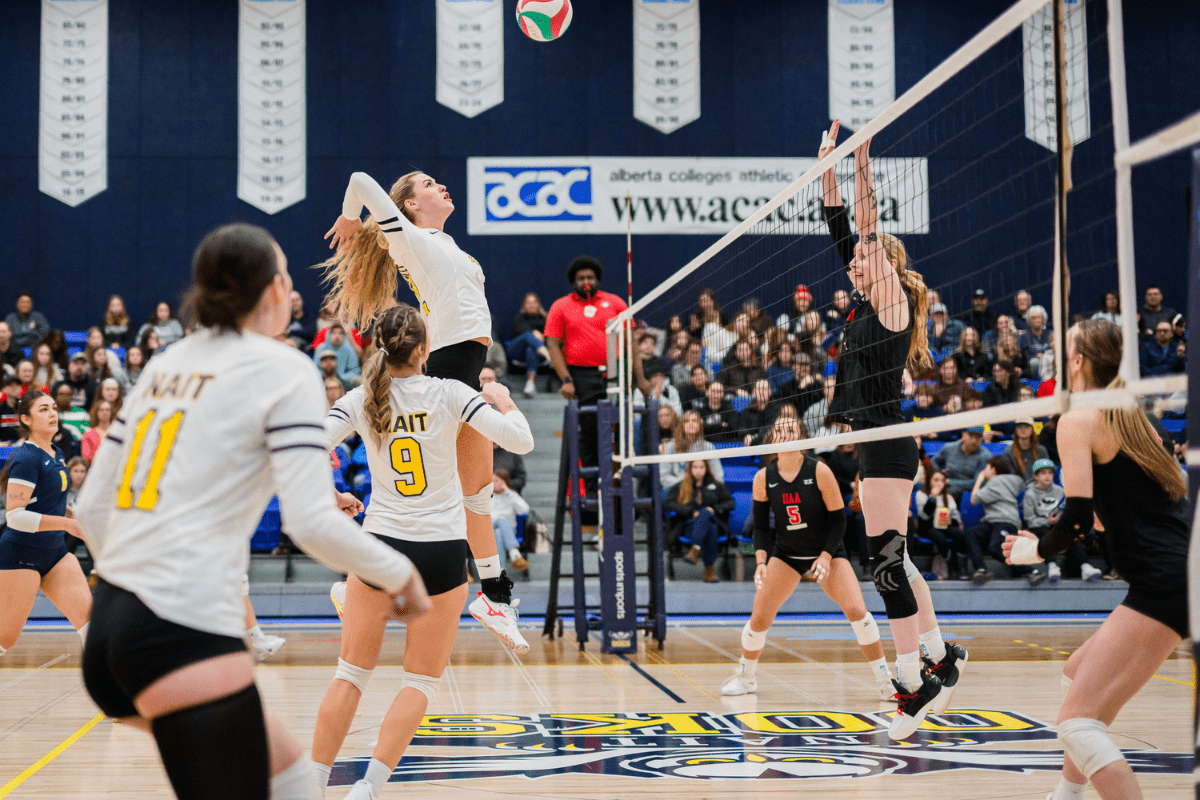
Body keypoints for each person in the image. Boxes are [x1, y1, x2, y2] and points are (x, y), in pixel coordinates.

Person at [76, 223, 431, 800]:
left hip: (110, 627)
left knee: (291, 779)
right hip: (178, 629)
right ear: (273, 290)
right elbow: (309, 523)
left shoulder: (167, 363)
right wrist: (399, 572)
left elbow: (93, 506)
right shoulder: (282, 367)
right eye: (287, 274)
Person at [312, 303, 534, 800]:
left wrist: (331, 495)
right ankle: (368, 789)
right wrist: (503, 399)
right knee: (419, 682)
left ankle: (312, 785)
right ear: (425, 349)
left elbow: (297, 451)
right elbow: (521, 442)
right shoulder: (452, 392)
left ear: (379, 348)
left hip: (381, 547)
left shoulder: (360, 398)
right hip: (441, 552)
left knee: (351, 675)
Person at [322, 170, 528, 634]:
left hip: (465, 367)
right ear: (411, 204)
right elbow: (358, 180)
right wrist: (350, 218)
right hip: (447, 368)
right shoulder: (409, 239)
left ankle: (494, 597)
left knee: (476, 493)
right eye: (430, 184)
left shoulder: (442, 243)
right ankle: (357, 583)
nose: (441, 186)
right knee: (430, 499)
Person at [1003, 318, 1189, 800]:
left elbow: (1079, 520)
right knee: (1077, 672)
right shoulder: (1136, 419)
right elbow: (1108, 518)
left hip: (1162, 583)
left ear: (1078, 361)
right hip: (1179, 575)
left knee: (1076, 724)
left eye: (1065, 350)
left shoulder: (1078, 419)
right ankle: (1067, 794)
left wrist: (1032, 550)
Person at [819, 122, 964, 738]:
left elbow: (864, 226)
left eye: (862, 258)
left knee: (883, 565)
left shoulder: (891, 303)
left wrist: (861, 164)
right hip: (877, 444)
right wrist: (825, 168)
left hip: (886, 443)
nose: (851, 261)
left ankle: (913, 683)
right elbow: (839, 225)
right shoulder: (864, 304)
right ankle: (939, 655)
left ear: (883, 264)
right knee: (894, 560)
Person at [721, 415, 896, 701]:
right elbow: (761, 527)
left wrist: (825, 557)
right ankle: (746, 678)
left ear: (803, 438)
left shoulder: (819, 471)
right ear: (771, 438)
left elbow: (839, 521)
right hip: (786, 555)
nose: (784, 433)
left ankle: (885, 682)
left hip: (827, 552)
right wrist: (761, 562)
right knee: (759, 617)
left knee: (856, 611)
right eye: (778, 429)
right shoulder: (763, 477)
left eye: (790, 429)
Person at [0, 390, 92, 656]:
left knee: (92, 627)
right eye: (43, 409)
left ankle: (106, 681)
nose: (52, 413)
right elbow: (15, 516)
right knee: (5, 640)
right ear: (26, 419)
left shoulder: (57, 452)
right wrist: (65, 525)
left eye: (53, 408)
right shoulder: (26, 458)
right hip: (21, 554)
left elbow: (47, 499)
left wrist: (70, 513)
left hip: (55, 554)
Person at [545, 256, 630, 486]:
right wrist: (566, 379)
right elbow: (552, 344)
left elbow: (630, 340)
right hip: (581, 375)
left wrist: (636, 377)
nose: (586, 281)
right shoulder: (561, 306)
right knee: (589, 430)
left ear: (597, 279)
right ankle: (592, 486)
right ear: (573, 281)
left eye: (590, 277)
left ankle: (618, 482)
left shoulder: (615, 303)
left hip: (614, 372)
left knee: (618, 427)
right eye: (581, 277)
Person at [664, 460, 734, 583]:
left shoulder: (716, 485)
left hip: (715, 522)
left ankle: (695, 549)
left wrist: (714, 509)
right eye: (695, 467)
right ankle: (709, 570)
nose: (698, 470)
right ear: (690, 469)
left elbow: (730, 503)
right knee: (710, 527)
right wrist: (690, 512)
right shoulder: (681, 486)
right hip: (689, 527)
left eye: (701, 467)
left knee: (707, 515)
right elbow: (669, 504)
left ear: (707, 469)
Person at [963, 457, 1024, 582]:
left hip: (1005, 521)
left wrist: (980, 479)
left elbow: (974, 499)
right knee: (972, 532)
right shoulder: (1013, 480)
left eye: (986, 468)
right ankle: (981, 569)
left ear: (993, 470)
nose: (984, 471)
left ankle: (1029, 570)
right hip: (993, 521)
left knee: (995, 547)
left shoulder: (996, 481)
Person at [1021, 458, 1069, 583]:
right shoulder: (1030, 494)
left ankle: (1084, 565)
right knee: (1044, 533)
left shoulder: (1061, 491)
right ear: (1036, 476)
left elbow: (1067, 511)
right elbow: (1029, 520)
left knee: (1069, 533)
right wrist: (1048, 521)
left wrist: (1059, 520)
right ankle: (1052, 565)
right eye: (1043, 473)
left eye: (1050, 473)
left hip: (1057, 525)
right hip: (1039, 527)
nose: (1047, 476)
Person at [914, 470, 964, 580]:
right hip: (927, 526)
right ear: (929, 481)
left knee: (960, 535)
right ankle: (951, 564)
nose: (939, 483)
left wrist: (951, 521)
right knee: (940, 538)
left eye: (942, 480)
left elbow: (956, 517)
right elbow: (924, 516)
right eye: (936, 480)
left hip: (943, 525)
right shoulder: (921, 494)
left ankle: (962, 566)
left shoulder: (948, 497)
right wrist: (932, 498)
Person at [659, 409, 723, 488]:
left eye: (695, 421)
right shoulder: (671, 446)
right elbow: (664, 477)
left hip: (702, 488)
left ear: (699, 425)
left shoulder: (708, 447)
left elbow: (717, 475)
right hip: (677, 488)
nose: (691, 424)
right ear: (682, 425)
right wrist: (685, 484)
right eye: (687, 421)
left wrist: (705, 487)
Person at [508, 292, 550, 397]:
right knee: (528, 335)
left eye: (534, 302)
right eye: (529, 303)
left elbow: (551, 338)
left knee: (530, 350)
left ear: (538, 304)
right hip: (517, 352)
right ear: (524, 305)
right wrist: (534, 332)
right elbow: (520, 331)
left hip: (535, 354)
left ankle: (530, 383)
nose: (531, 305)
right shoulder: (520, 317)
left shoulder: (545, 319)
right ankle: (548, 355)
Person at [933, 426, 989, 501]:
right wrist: (938, 473)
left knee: (951, 492)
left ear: (982, 439)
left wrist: (950, 482)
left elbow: (977, 483)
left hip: (966, 490)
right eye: (971, 436)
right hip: (945, 483)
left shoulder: (985, 456)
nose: (974, 441)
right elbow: (933, 461)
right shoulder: (949, 448)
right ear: (964, 435)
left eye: (977, 438)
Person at [490, 468, 530, 572]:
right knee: (501, 518)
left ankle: (500, 570)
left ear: (504, 481)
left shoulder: (511, 495)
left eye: (497, 480)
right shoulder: (488, 495)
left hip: (507, 531)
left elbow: (525, 510)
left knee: (498, 534)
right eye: (492, 480)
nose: (494, 483)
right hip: (489, 527)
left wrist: (508, 492)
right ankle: (513, 551)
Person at [1003, 416, 1049, 485]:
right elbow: (1010, 477)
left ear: (1032, 429)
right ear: (1016, 429)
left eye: (1027, 426)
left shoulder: (1041, 450)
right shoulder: (1008, 452)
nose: (1023, 429)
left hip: (1039, 487)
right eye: (1020, 427)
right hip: (1018, 487)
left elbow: (1047, 473)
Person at [1019, 305, 1053, 378]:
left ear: (1043, 319)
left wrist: (1044, 356)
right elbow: (1025, 356)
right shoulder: (1024, 337)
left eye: (1039, 317)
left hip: (1048, 360)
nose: (1037, 320)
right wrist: (1035, 355)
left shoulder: (1049, 334)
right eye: (1033, 318)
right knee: (1034, 362)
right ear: (1029, 320)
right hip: (1033, 365)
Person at [80, 399, 115, 463]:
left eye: (107, 410)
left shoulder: (117, 432)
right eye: (101, 410)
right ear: (96, 413)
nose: (105, 412)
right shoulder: (88, 434)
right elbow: (86, 457)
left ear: (111, 412)